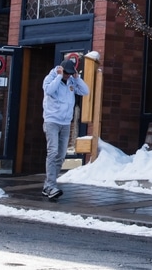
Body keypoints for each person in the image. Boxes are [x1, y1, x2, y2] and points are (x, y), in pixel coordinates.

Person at [42, 57, 89, 199]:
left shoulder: (71, 81)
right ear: (61, 70)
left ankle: (49, 185)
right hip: (52, 121)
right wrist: (58, 76)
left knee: (61, 155)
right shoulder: (50, 78)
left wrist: (77, 78)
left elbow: (85, 91)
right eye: (66, 73)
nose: (68, 76)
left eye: (70, 73)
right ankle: (51, 186)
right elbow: (49, 91)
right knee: (53, 151)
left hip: (66, 122)